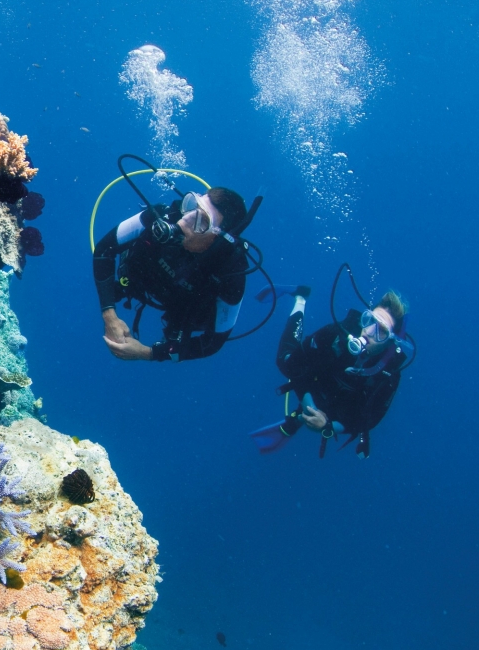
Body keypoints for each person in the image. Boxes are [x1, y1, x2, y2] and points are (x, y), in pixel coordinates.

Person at [251, 285, 412, 458]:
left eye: (381, 331)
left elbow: (369, 419)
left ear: (390, 342)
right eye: (369, 320)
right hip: (312, 382)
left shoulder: (388, 375)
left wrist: (329, 427)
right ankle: (300, 299)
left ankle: (301, 417)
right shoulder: (335, 335)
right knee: (285, 361)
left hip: (342, 407)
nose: (369, 332)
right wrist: (308, 404)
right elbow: (297, 366)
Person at [93, 187, 248, 361]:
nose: (184, 219)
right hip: (138, 281)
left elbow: (214, 342)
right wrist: (109, 314)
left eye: (202, 220)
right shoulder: (161, 215)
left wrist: (148, 353)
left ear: (219, 239)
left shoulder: (231, 275)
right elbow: (104, 249)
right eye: (191, 206)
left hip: (182, 309)